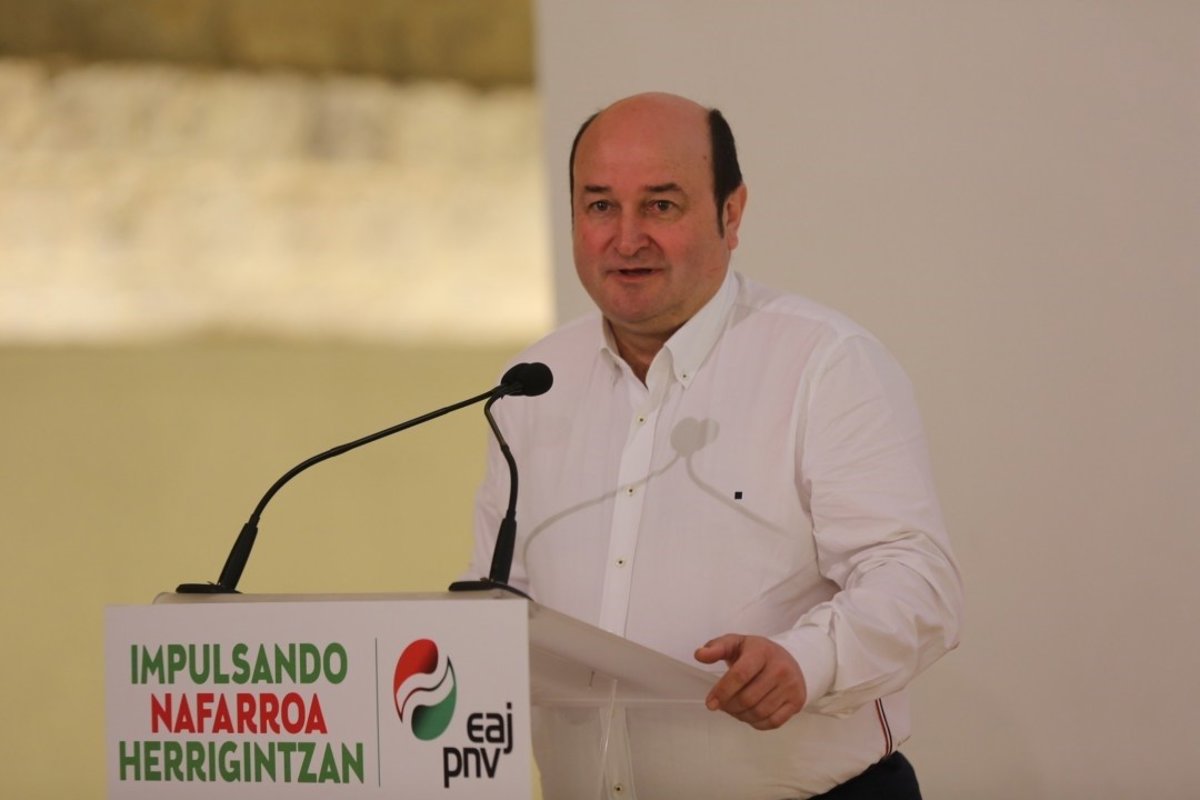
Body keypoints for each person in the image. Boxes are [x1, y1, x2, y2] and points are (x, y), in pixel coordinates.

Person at [468, 92, 963, 800]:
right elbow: (504, 603)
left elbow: (918, 582)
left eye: (660, 205)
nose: (626, 238)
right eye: (600, 205)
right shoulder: (533, 383)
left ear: (732, 214)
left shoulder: (824, 363)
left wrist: (806, 660)